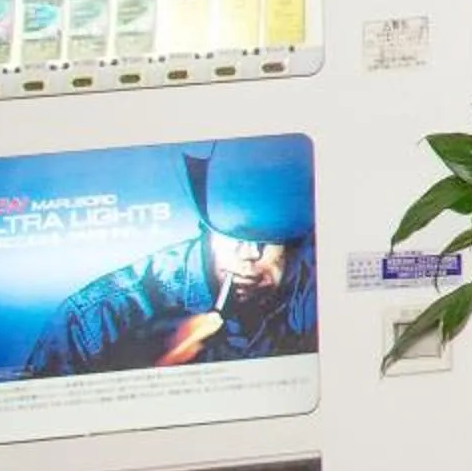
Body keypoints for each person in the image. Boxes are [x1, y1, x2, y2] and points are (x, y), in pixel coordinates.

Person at [26, 141, 318, 376]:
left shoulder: (315, 286)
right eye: (234, 237)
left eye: (268, 242)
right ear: (205, 228)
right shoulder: (96, 318)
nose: (249, 255)